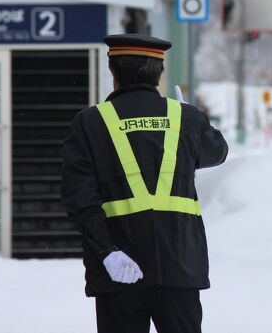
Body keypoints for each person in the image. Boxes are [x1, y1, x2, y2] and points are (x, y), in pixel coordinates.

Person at [61, 33, 228, 333]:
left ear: (114, 75)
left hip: (118, 272)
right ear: (159, 74)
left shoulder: (89, 123)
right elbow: (217, 152)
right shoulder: (185, 119)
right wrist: (196, 119)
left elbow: (79, 200)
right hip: (179, 269)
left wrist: (108, 252)